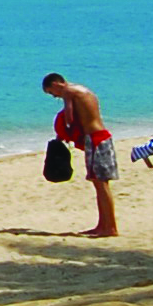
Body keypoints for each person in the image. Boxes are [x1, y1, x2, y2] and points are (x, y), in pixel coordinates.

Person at [42, 72, 121, 238]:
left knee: (101, 183)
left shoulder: (69, 92)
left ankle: (110, 227)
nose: (54, 96)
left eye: (51, 93)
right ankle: (102, 225)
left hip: (96, 139)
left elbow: (69, 119)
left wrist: (64, 134)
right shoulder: (82, 90)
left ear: (56, 84)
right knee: (98, 182)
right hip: (100, 137)